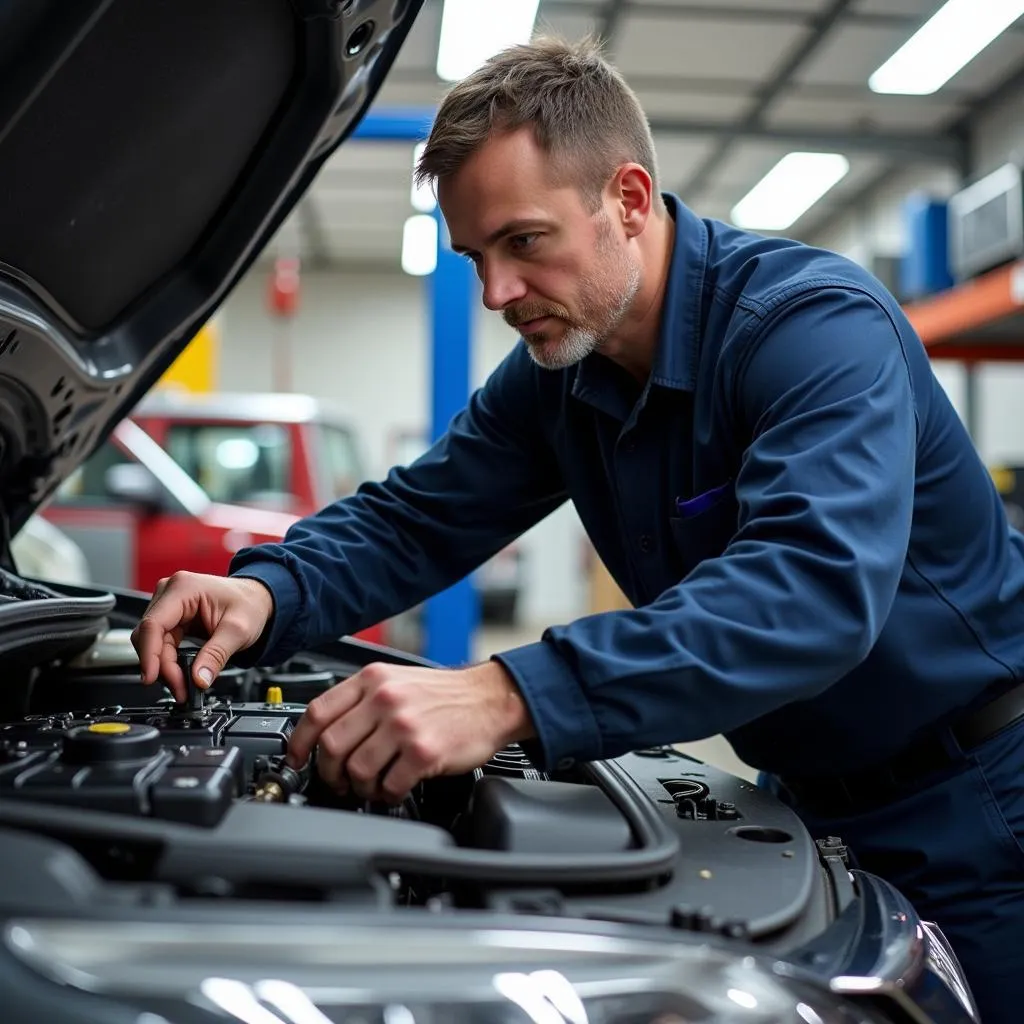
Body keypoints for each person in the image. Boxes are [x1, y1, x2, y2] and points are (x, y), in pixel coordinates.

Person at [132, 36, 1024, 1020]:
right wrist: (268, 589)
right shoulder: (561, 380)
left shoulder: (812, 330)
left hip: (978, 797)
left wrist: (507, 689)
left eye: (524, 242)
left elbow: (809, 592)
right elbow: (418, 516)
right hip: (806, 789)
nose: (496, 294)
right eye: (476, 257)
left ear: (629, 200)